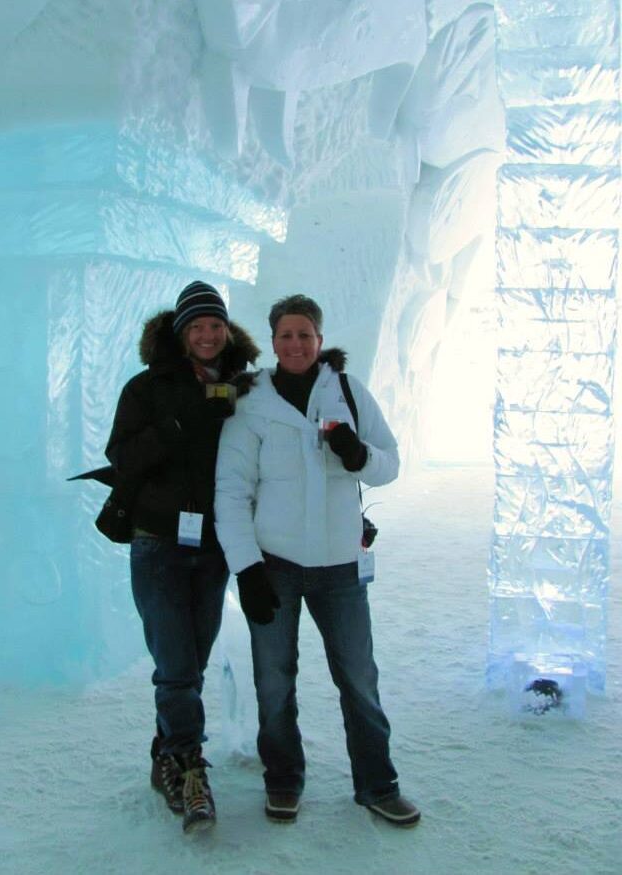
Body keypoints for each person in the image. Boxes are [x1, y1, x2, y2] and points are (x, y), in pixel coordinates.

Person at [214, 294, 420, 827]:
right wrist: (248, 568)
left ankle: (378, 784)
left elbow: (390, 463)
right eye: (286, 335)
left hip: (340, 569)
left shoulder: (348, 392)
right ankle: (283, 779)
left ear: (320, 341)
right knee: (274, 681)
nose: (296, 344)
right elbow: (231, 491)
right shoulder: (252, 403)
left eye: (305, 334)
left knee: (359, 680)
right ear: (272, 340)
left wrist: (359, 455)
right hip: (274, 566)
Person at [105, 280, 259, 834]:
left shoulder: (244, 388)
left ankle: (165, 753)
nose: (207, 335)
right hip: (158, 542)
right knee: (174, 667)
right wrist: (178, 423)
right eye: (197, 326)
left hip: (214, 544)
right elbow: (120, 457)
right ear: (180, 332)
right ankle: (191, 771)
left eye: (215, 325)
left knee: (189, 663)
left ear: (226, 330)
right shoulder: (147, 389)